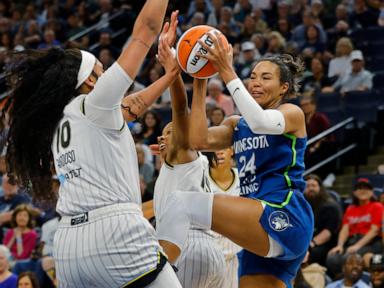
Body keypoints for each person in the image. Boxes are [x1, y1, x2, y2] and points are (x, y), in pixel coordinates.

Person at [1, 3, 183, 287]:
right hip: (114, 233)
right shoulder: (95, 104)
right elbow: (145, 30)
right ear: (89, 79)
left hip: (69, 246)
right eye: (102, 68)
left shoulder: (63, 118)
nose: (107, 70)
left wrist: (169, 76)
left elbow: (131, 107)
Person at [163, 32, 314, 287]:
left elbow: (261, 121)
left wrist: (226, 69)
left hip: (283, 212)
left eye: (266, 78)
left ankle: (156, 275)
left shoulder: (291, 113)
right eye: (253, 76)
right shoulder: (237, 124)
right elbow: (198, 140)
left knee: (180, 203)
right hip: (256, 225)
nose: (255, 82)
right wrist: (200, 81)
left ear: (284, 88)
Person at [153, 36, 226, 288]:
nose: (164, 136)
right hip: (208, 251)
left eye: (170, 131)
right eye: (162, 133)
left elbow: (180, 110)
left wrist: (172, 71)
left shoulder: (183, 155)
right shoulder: (184, 165)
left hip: (186, 245)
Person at [327, 178, 383, 278]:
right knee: (332, 257)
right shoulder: (351, 208)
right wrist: (339, 245)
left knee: (348, 258)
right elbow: (345, 229)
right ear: (354, 192)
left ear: (372, 192)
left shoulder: (377, 206)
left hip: (371, 242)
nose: (362, 190)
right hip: (352, 241)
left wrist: (357, 246)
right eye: (359, 188)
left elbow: (374, 231)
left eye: (366, 188)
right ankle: (342, 280)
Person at [205, 148, 242, 288]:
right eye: (214, 149)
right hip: (205, 256)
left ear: (231, 150)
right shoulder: (198, 179)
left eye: (223, 148)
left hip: (235, 257)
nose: (218, 152)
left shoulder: (245, 178)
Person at [304, 174, 342, 266]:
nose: (310, 188)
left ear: (320, 188)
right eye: (307, 186)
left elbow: (328, 233)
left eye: (313, 185)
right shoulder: (302, 205)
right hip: (306, 240)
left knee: (312, 253)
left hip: (324, 243)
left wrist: (311, 244)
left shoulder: (330, 206)